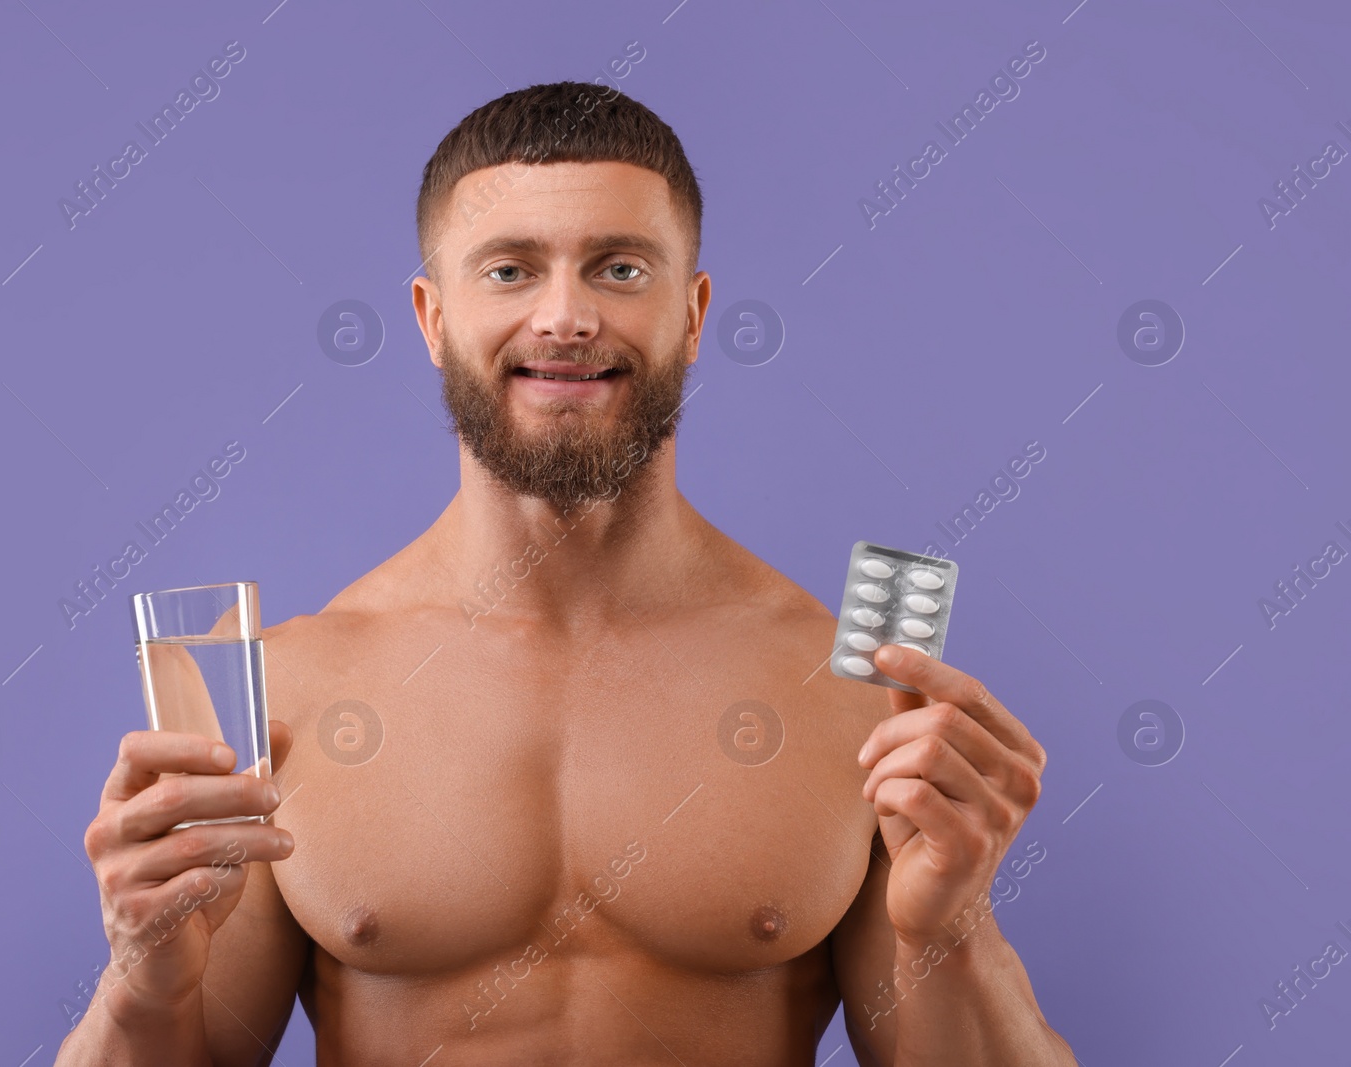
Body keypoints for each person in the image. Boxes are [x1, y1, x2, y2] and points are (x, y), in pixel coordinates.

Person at [57, 81, 1075, 1066]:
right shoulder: (280, 691)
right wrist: (144, 978)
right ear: (431, 317)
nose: (565, 317)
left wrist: (956, 923)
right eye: (508, 270)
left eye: (620, 268)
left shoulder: (848, 688)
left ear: (692, 310)